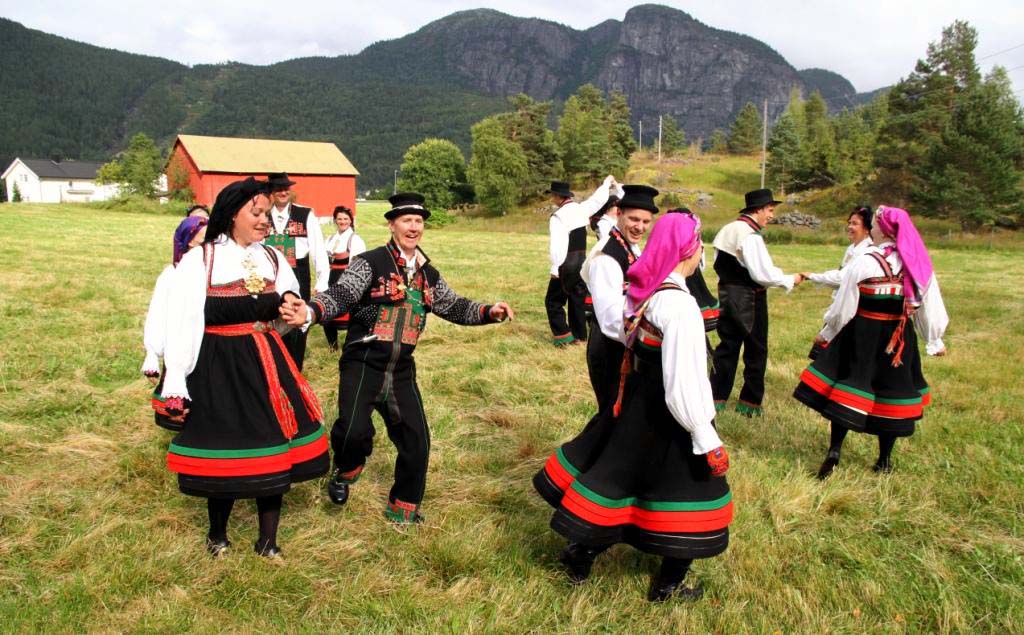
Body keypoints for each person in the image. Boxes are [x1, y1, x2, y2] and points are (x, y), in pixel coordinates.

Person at [280, 193, 514, 524]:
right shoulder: (368, 262)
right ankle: (347, 468)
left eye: (418, 221)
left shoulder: (427, 274)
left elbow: (454, 306)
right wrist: (312, 310)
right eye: (406, 220)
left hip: (401, 370)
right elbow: (343, 294)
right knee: (352, 432)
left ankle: (403, 508)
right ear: (392, 225)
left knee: (416, 441)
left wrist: (489, 311)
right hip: (363, 361)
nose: (413, 227)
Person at [534, 211, 732, 603]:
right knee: (689, 491)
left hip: (638, 407)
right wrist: (705, 435)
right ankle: (668, 586)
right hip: (670, 417)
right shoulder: (680, 308)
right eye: (699, 244)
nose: (701, 252)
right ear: (689, 250)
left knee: (623, 481)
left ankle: (579, 554)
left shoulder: (647, 290)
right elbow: (684, 383)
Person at [161, 177, 329, 557]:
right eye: (256, 212)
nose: (264, 221)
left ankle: (268, 542)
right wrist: (176, 378)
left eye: (267, 214)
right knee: (226, 447)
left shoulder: (271, 257)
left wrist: (290, 307)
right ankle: (217, 535)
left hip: (267, 363)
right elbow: (182, 322)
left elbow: (291, 304)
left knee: (274, 444)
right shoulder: (200, 259)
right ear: (232, 212)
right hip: (219, 366)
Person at [794, 206, 948, 478]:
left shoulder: (865, 260)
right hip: (899, 341)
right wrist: (933, 339)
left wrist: (828, 332)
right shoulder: (918, 265)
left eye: (875, 224)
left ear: (885, 229)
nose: (873, 229)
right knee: (891, 392)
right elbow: (928, 306)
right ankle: (884, 460)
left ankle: (835, 450)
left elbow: (844, 307)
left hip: (863, 335)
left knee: (848, 386)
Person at [709, 189, 804, 417]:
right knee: (756, 351)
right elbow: (763, 274)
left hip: (727, 295)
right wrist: (790, 279)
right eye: (769, 210)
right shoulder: (749, 235)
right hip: (750, 299)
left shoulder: (729, 229)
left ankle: (715, 397)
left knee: (727, 348)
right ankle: (749, 403)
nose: (771, 215)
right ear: (758, 210)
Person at [143, 215, 207, 431]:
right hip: (180, 342)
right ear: (190, 240)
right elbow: (158, 313)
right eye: (203, 235)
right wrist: (152, 353)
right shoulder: (171, 274)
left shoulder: (212, 269)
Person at [264, 172, 329, 370]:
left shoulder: (305, 214)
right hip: (270, 276)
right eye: (278, 189)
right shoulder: (263, 215)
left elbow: (318, 249)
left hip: (298, 274)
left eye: (286, 189)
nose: (283, 192)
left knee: (298, 323)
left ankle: (295, 370)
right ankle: (274, 369)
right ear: (271, 193)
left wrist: (322, 281)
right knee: (272, 321)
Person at [546, 177, 616, 346]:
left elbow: (559, 245)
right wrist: (607, 184)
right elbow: (598, 200)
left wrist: (556, 267)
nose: (552, 199)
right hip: (581, 264)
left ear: (557, 196)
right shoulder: (581, 209)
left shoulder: (558, 217)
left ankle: (564, 336)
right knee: (577, 300)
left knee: (553, 301)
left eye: (553, 196)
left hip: (565, 265)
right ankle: (580, 337)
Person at [321, 205, 366, 351]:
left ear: (351, 220)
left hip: (346, 280)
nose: (342, 221)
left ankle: (351, 346)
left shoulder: (355, 240)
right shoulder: (330, 239)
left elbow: (356, 265)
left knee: (350, 314)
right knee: (327, 311)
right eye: (339, 218)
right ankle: (332, 346)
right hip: (329, 279)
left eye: (346, 218)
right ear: (335, 220)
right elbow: (322, 262)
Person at [801, 206, 875, 291]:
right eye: (849, 223)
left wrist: (812, 276)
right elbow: (841, 272)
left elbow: (841, 279)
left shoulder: (866, 251)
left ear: (867, 229)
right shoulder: (851, 248)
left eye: (854, 223)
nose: (849, 226)